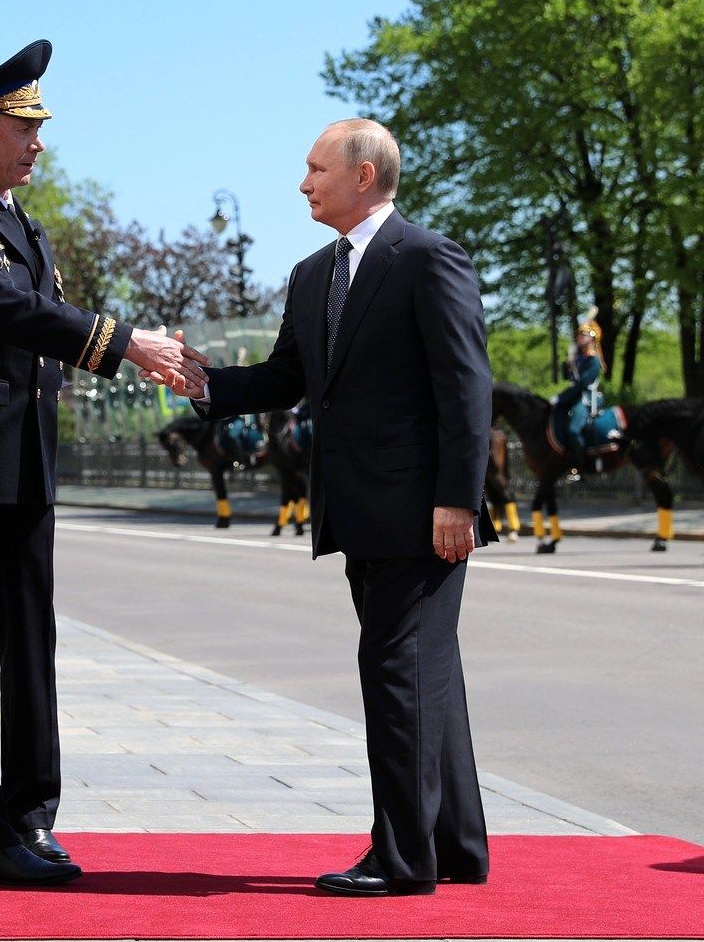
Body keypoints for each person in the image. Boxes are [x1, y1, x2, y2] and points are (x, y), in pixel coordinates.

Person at [0, 40, 206, 885]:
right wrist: (126, 342)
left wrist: (139, 352)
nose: (38, 143)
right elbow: (9, 311)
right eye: (23, 127)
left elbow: (41, 321)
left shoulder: (22, 224)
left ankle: (30, 815)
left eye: (38, 127)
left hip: (27, 457)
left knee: (31, 638)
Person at [169, 118, 495, 897]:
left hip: (423, 515)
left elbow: (466, 385)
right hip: (356, 513)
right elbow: (287, 377)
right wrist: (203, 382)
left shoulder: (429, 257)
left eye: (317, 169)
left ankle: (401, 860)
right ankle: (455, 845)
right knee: (423, 672)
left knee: (396, 674)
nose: (304, 183)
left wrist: (458, 499)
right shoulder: (313, 273)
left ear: (364, 175)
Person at [553, 316, 605, 469]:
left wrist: (560, 397)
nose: (579, 337)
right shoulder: (579, 358)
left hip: (588, 397)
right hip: (575, 396)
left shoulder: (593, 361)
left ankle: (581, 467)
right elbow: (568, 377)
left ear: (591, 339)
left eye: (583, 335)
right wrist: (568, 363)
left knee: (574, 430)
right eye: (579, 335)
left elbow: (582, 384)